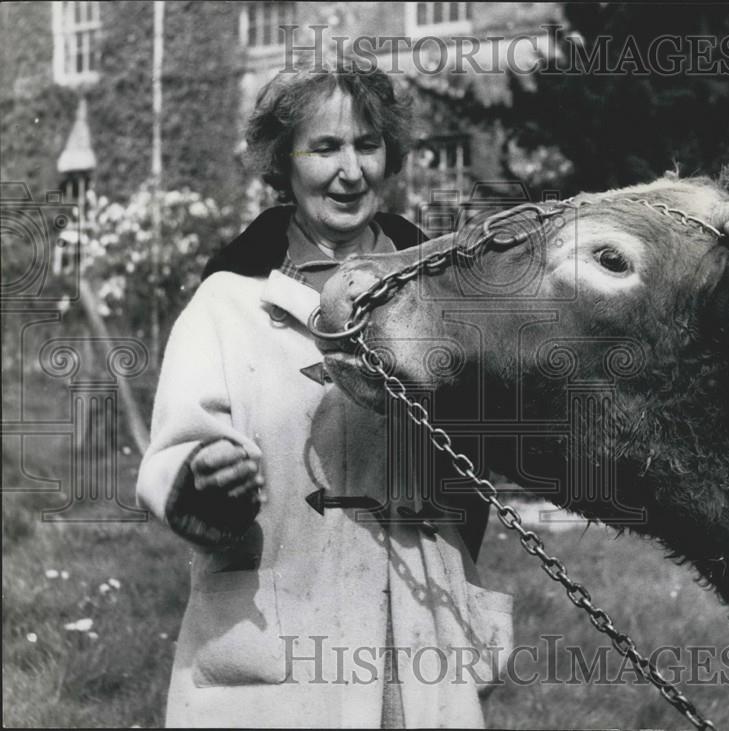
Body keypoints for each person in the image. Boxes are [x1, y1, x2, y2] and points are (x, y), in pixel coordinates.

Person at [137, 64, 510, 728]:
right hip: (276, 627)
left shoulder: (442, 294)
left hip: (416, 627)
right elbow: (176, 452)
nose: (351, 170)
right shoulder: (228, 302)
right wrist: (205, 479)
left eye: (367, 145)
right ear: (284, 163)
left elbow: (484, 452)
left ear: (390, 156)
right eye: (325, 147)